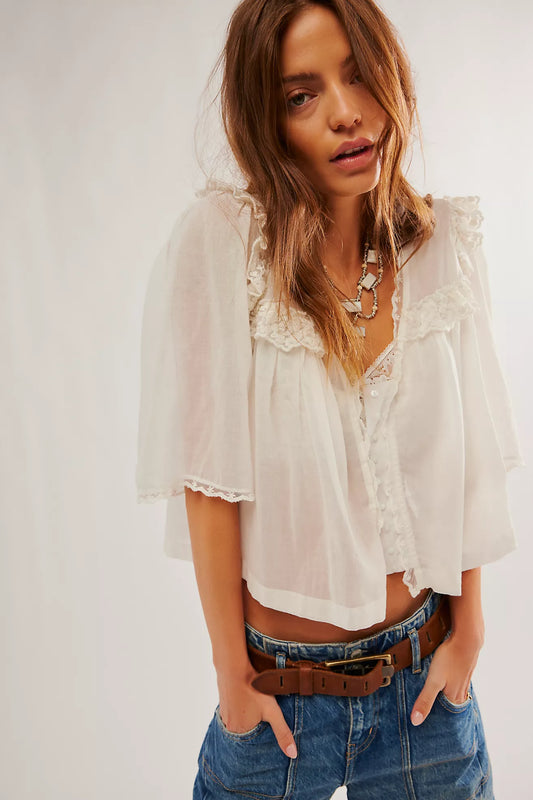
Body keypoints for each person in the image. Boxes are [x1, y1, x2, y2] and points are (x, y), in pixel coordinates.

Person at [136, 1, 525, 797]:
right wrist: (232, 679)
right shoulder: (225, 247)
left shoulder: (441, 249)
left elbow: (467, 469)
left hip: (425, 691)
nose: (345, 112)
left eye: (357, 74)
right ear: (267, 122)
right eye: (301, 95)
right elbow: (210, 481)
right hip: (277, 703)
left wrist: (468, 634)